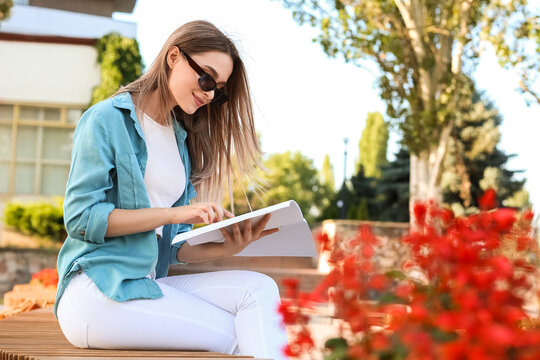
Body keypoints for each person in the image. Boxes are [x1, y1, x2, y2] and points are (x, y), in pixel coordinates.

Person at [54, 20, 289, 359]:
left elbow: (171, 249)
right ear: (174, 56)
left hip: (145, 282)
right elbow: (81, 218)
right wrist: (176, 213)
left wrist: (225, 246)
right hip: (98, 289)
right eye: (206, 78)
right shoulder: (106, 120)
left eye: (217, 89)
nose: (209, 94)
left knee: (258, 289)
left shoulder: (179, 140)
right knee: (238, 335)